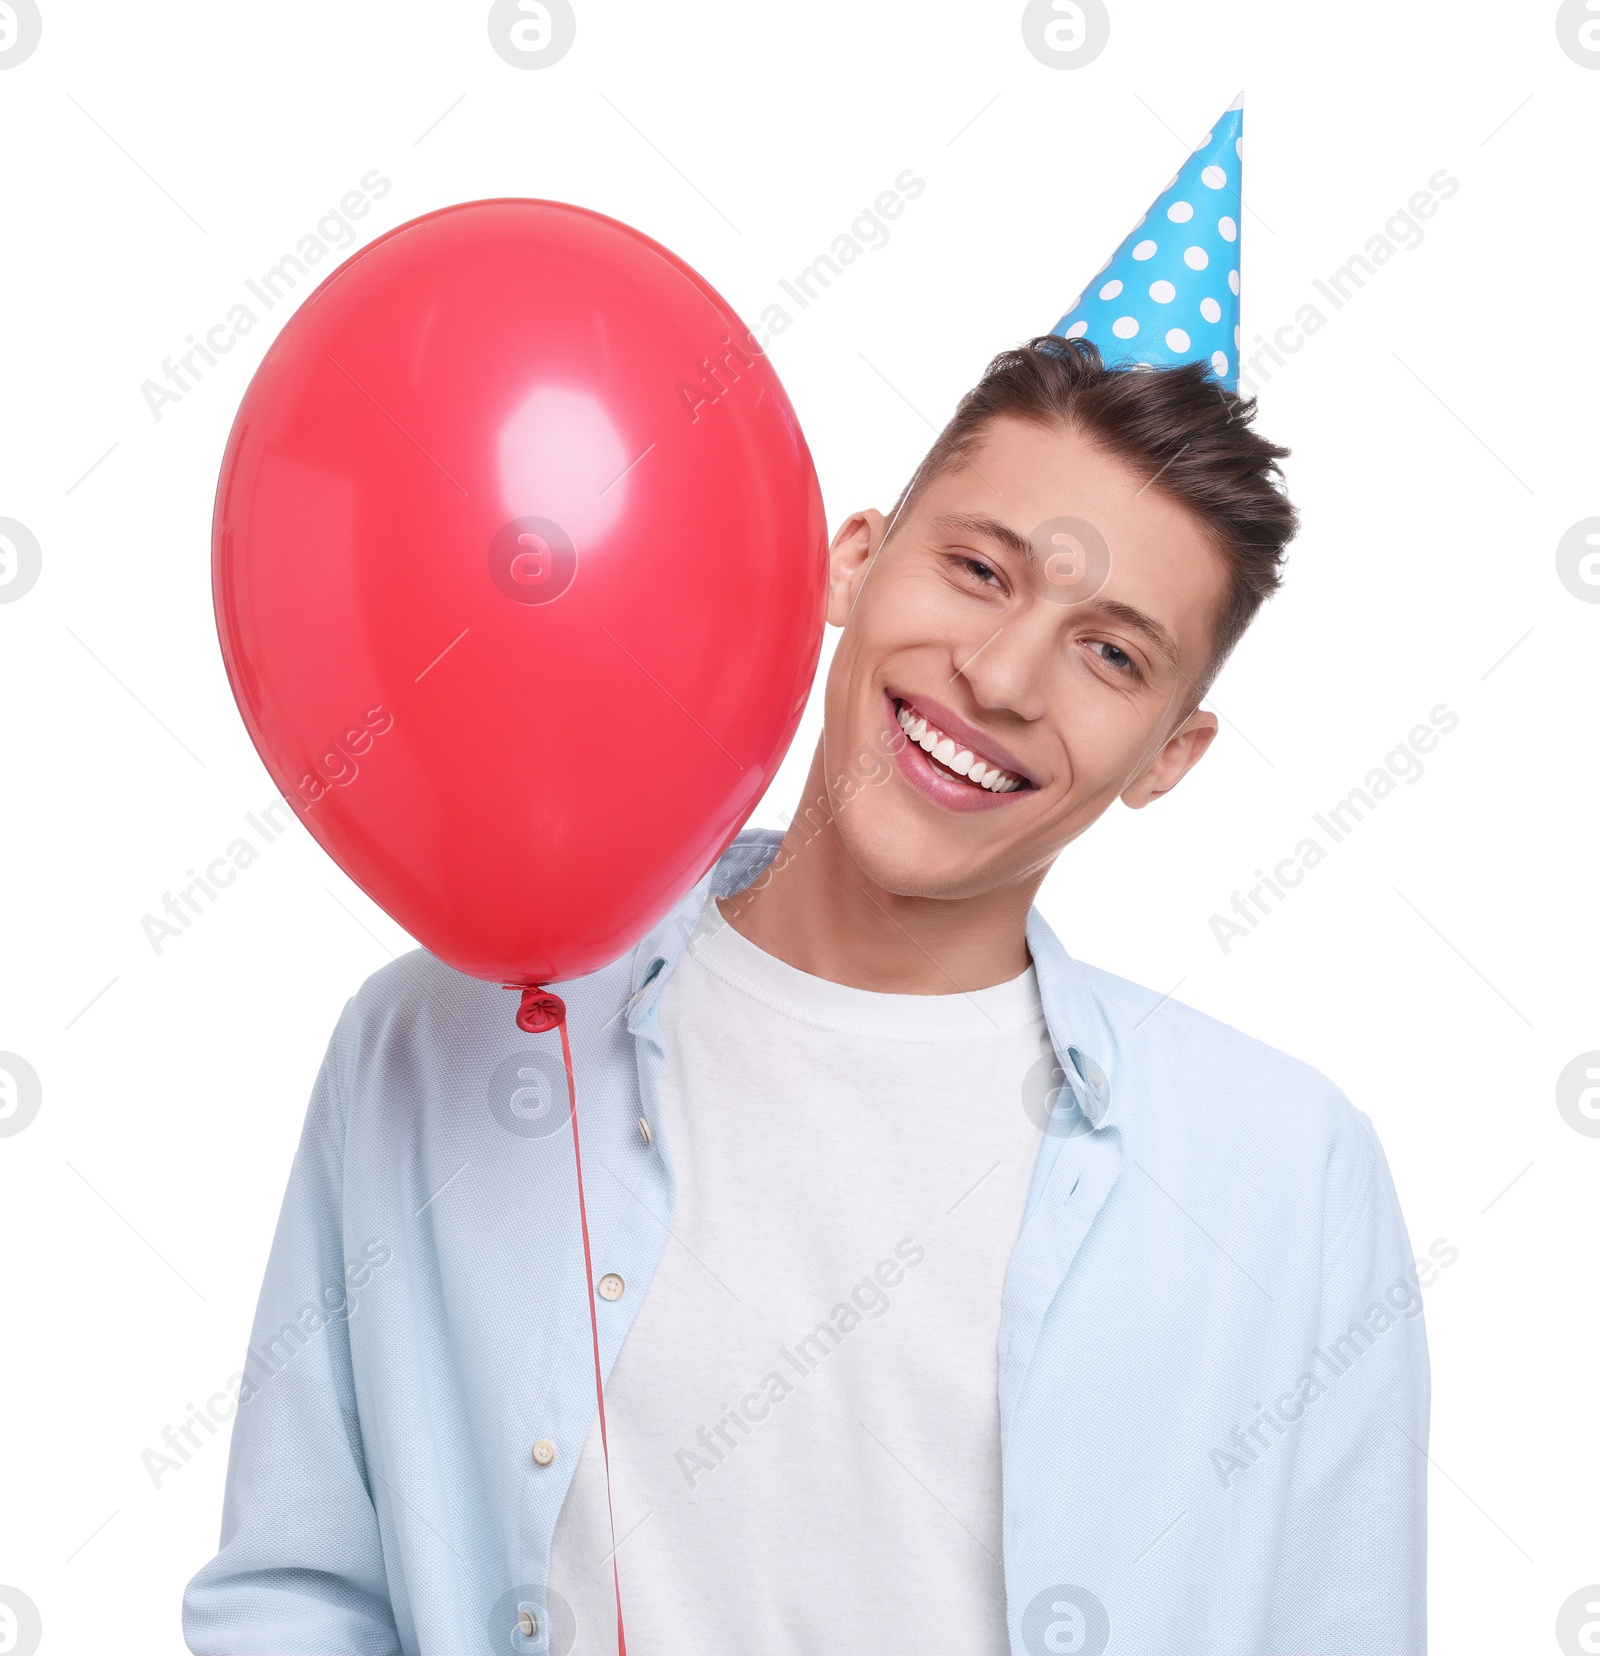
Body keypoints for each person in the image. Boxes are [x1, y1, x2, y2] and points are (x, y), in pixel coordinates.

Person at [184, 98, 1428, 1656]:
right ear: (852, 558)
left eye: (1113, 656)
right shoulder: (437, 1045)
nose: (1001, 673)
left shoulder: (1283, 1175)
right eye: (977, 568)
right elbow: (298, 1596)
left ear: (1171, 755)